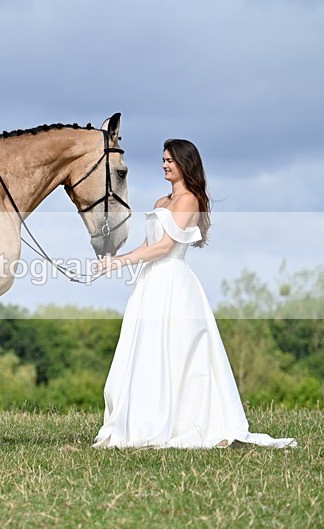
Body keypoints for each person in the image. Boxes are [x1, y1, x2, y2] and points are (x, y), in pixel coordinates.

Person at [91, 139, 296, 449]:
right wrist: (113, 261)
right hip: (151, 283)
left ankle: (182, 422)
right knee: (146, 348)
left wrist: (122, 261)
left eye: (169, 160)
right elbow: (149, 247)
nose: (164, 165)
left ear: (185, 164)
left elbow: (165, 247)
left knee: (178, 350)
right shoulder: (161, 202)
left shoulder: (188, 200)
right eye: (163, 160)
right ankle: (142, 418)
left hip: (174, 283)